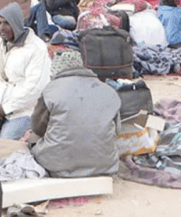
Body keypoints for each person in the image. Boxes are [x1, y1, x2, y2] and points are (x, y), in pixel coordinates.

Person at [31, 49, 120, 178]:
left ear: (56, 68)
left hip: (57, 166)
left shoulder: (51, 90)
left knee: (32, 137)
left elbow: (38, 128)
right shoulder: (109, 91)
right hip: (105, 165)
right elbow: (117, 130)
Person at [0, 2, 51, 140]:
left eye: (6, 23)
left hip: (23, 110)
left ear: (16, 24)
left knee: (7, 141)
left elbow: (35, 88)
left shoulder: (36, 48)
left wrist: (6, 108)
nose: (2, 28)